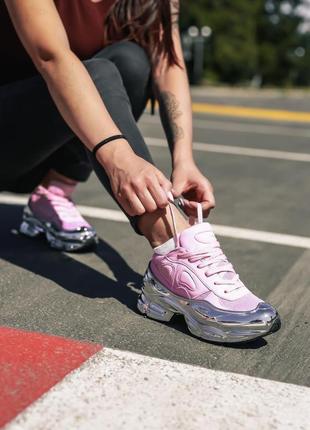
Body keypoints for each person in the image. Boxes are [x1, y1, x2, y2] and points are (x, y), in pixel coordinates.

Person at [0, 0, 280, 343]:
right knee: (95, 73)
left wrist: (184, 158)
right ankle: (172, 244)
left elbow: (168, 64)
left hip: (45, 140)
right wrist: (118, 155)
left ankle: (53, 192)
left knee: (132, 61)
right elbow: (51, 56)